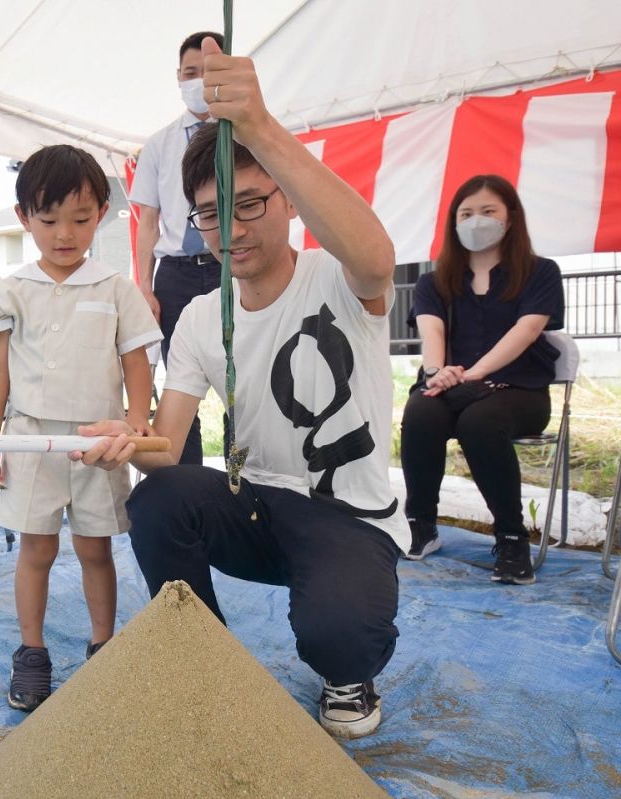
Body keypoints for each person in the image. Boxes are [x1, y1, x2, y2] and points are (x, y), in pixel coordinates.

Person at [77, 36, 407, 739]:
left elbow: (379, 258)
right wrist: (128, 441)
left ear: (287, 201)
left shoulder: (338, 277)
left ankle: (347, 669)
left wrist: (258, 126)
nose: (230, 229)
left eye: (249, 204)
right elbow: (166, 447)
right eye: (209, 214)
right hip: (255, 504)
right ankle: (206, 659)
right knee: (159, 500)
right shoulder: (202, 315)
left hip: (350, 516)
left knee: (337, 632)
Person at [0, 144, 161, 712]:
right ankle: (31, 652)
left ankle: (103, 645)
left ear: (102, 213)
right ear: (23, 218)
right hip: (30, 440)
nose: (65, 233)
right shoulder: (11, 289)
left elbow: (137, 360)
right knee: (34, 548)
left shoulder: (116, 287)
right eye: (49, 219)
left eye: (80, 219)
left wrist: (135, 424)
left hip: (97, 445)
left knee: (94, 549)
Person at [401, 174, 564, 584]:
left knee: (480, 422)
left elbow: (526, 331)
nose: (477, 221)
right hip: (451, 384)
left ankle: (511, 537)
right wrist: (438, 375)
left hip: (519, 391)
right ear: (454, 223)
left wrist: (471, 374)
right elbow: (432, 333)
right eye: (467, 213)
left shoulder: (540, 272)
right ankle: (420, 524)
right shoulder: (432, 282)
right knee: (420, 412)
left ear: (510, 219)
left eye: (488, 212)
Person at [129, 30, 225, 466]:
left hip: (232, 267)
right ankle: (187, 486)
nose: (199, 81)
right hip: (176, 274)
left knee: (243, 382)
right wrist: (143, 288)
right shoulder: (159, 144)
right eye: (191, 73)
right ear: (178, 77)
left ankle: (245, 485)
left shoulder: (245, 133)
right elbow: (147, 221)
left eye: (209, 72)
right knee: (179, 384)